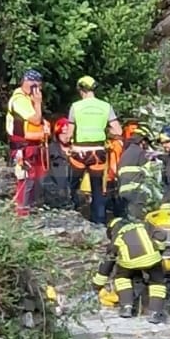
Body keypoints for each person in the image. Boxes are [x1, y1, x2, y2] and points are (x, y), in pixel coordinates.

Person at [93, 217, 170, 324]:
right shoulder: (144, 226)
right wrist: (159, 250)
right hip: (152, 259)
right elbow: (161, 235)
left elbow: (107, 263)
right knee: (157, 282)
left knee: (122, 278)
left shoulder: (118, 236)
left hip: (129, 264)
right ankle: (155, 313)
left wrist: (97, 283)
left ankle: (126, 307)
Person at [66, 76, 116, 227]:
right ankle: (99, 222)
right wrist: (105, 132)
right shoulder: (106, 107)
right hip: (98, 152)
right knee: (97, 189)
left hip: (79, 152)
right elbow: (117, 129)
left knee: (72, 185)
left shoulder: (76, 107)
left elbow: (69, 134)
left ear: (81, 90)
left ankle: (68, 214)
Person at [6, 70, 50, 218]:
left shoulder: (28, 99)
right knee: (25, 179)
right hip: (22, 147)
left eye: (38, 85)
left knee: (36, 178)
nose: (35, 89)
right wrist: (38, 103)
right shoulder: (19, 100)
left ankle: (30, 208)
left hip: (34, 146)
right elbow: (35, 119)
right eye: (32, 84)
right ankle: (22, 212)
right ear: (24, 82)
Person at [116, 124, 163, 221]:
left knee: (127, 220)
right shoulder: (140, 153)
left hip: (123, 193)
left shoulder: (126, 153)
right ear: (142, 141)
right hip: (137, 192)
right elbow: (152, 172)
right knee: (137, 221)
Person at [103, 117, 125, 221]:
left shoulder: (117, 143)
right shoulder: (113, 143)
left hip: (113, 175)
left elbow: (116, 160)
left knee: (114, 198)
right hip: (111, 175)